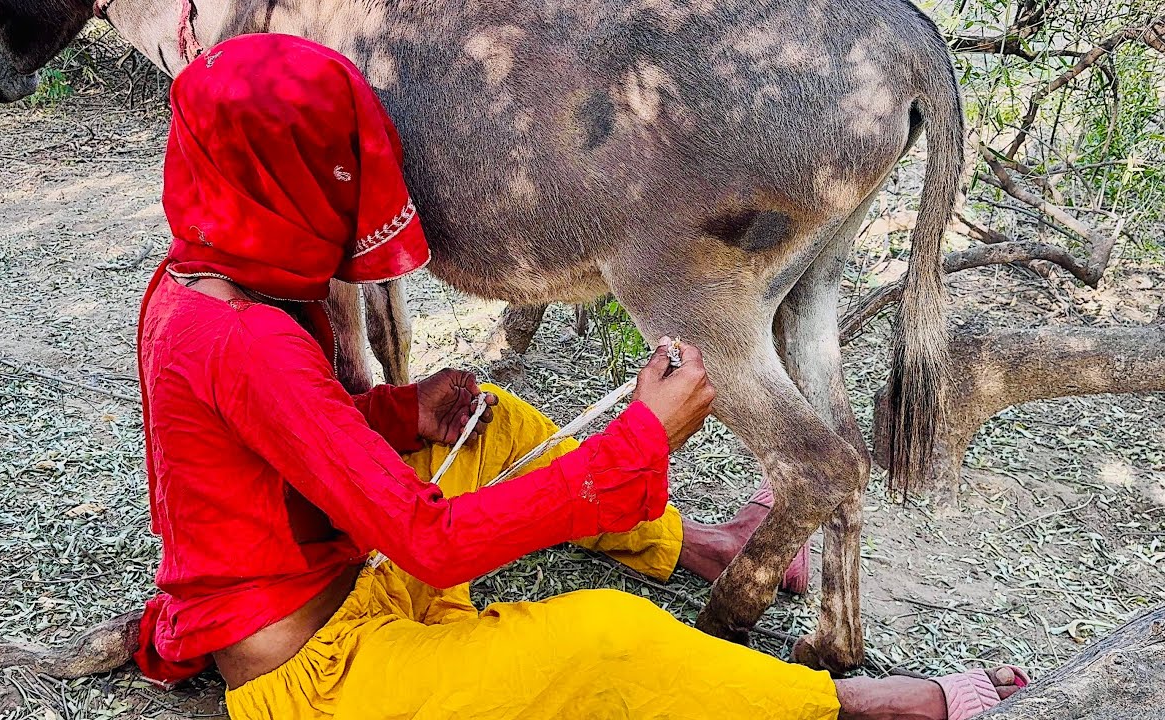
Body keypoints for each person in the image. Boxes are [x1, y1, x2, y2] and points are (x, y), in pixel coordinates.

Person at [133, 32, 1028, 720]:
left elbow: (286, 436)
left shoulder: (200, 278)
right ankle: (837, 706)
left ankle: (692, 546)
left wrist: (407, 411)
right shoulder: (246, 339)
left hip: (350, 578)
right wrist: (635, 445)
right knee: (609, 638)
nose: (351, 200)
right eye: (335, 177)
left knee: (491, 421)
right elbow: (431, 545)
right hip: (323, 678)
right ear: (277, 184)